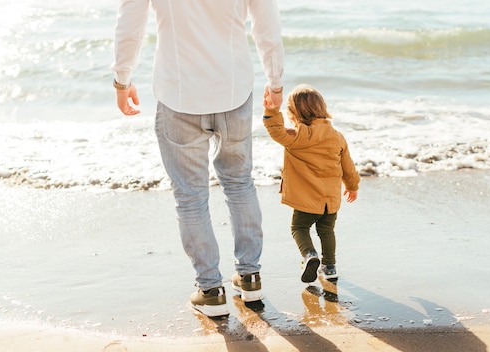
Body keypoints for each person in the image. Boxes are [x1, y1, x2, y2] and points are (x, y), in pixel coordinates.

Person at [111, 0, 284, 317]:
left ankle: (211, 290)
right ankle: (250, 276)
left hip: (179, 95)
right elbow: (267, 22)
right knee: (239, 182)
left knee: (190, 195)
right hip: (233, 89)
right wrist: (276, 81)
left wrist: (122, 79)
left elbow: (131, 23)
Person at [262, 84, 360, 283]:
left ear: (293, 112)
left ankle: (309, 255)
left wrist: (271, 110)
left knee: (299, 228)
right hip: (330, 199)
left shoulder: (298, 136)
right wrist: (352, 186)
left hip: (307, 199)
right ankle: (330, 267)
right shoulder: (337, 137)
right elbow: (348, 166)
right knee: (326, 230)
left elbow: (275, 130)